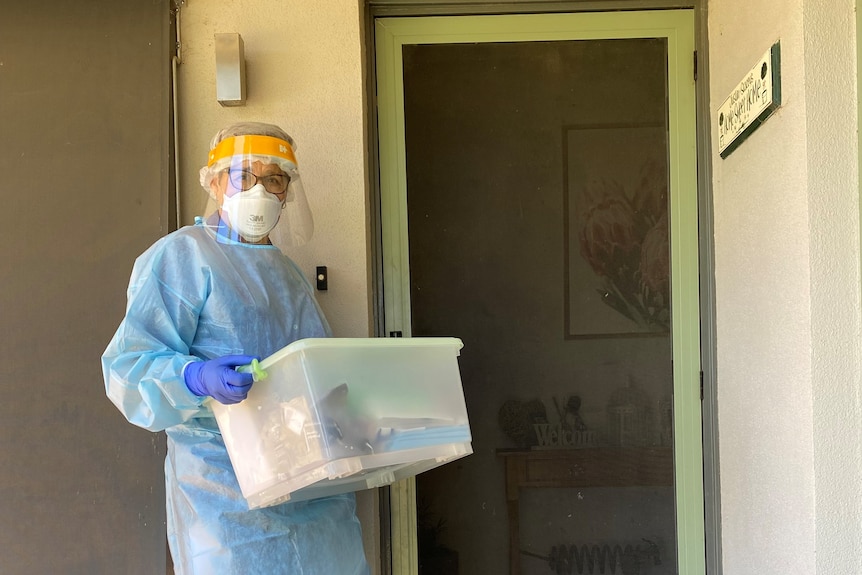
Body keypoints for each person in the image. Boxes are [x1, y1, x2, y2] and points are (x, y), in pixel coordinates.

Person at [102, 121, 370, 574]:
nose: (260, 190)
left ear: (287, 192)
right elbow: (128, 367)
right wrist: (194, 378)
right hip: (225, 496)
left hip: (312, 492)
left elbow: (318, 372)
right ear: (215, 181)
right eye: (244, 175)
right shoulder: (181, 257)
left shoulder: (288, 275)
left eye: (274, 178)